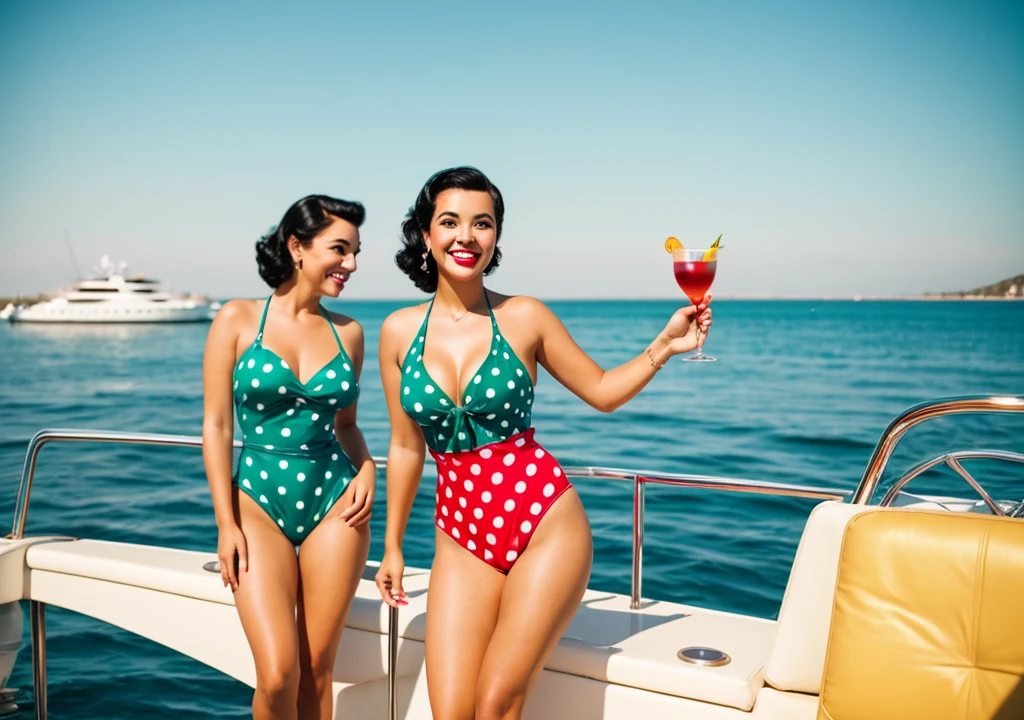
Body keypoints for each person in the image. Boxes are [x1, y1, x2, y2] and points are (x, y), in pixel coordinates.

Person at [374, 167, 712, 720]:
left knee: (496, 704)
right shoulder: (397, 331)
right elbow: (407, 447)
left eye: (483, 223)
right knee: (450, 713)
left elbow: (602, 392)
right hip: (459, 535)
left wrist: (665, 345)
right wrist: (391, 546)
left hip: (543, 523)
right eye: (450, 222)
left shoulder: (524, 316)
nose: (467, 236)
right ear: (426, 234)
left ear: (496, 237)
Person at [202, 195, 376, 719]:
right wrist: (225, 524)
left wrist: (366, 466)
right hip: (256, 503)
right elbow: (215, 426)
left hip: (335, 505)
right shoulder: (238, 319)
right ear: (297, 247)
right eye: (340, 249)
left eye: (355, 252)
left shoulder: (349, 332)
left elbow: (346, 426)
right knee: (278, 673)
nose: (351, 264)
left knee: (316, 674)